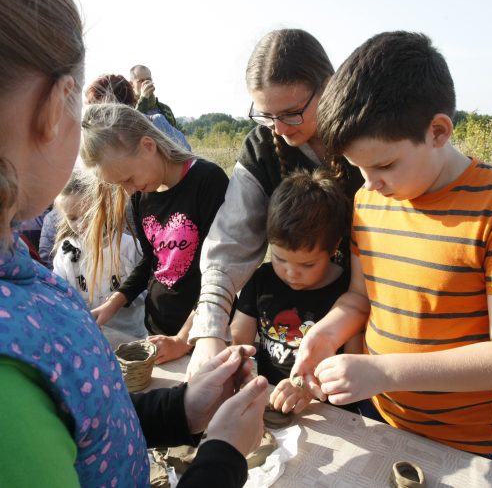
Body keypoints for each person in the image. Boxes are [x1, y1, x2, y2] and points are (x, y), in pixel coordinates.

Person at [0, 0, 267, 486]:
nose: (125, 192)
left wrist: (182, 408)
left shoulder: (21, 279)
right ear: (56, 105)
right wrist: (225, 453)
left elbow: (94, 424)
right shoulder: (11, 369)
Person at [291, 31, 492, 458]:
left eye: (384, 164)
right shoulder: (369, 201)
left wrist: (383, 371)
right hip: (385, 423)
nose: (370, 183)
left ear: (438, 131)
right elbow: (359, 299)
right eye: (359, 169)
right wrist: (326, 334)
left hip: (473, 445)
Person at [187, 28, 364, 378]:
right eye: (266, 115)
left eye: (292, 113)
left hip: (367, 319)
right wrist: (209, 334)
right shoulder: (262, 148)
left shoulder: (366, 134)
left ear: (328, 85)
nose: (279, 129)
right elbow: (230, 244)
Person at [79, 102, 229, 364]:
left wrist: (184, 339)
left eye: (127, 178)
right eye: (119, 184)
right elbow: (151, 262)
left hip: (204, 334)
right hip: (158, 331)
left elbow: (221, 271)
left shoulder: (207, 180)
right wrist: (112, 304)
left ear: (149, 146)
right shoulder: (141, 195)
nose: (128, 190)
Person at [231, 168, 352, 414]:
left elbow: (353, 364)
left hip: (325, 411)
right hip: (271, 402)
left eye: (307, 264)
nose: (291, 273)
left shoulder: (347, 294)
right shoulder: (262, 279)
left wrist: (305, 386)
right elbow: (238, 339)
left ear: (334, 247)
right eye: (280, 258)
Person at [52, 168, 148, 343]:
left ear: (107, 208)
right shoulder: (65, 254)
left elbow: (146, 291)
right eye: (72, 218)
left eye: (89, 215)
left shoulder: (130, 248)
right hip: (89, 339)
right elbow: (59, 295)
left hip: (133, 340)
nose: (81, 224)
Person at [86, 73, 191, 150]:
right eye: (141, 80)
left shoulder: (161, 114)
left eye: (149, 79)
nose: (146, 83)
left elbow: (185, 153)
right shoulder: (94, 141)